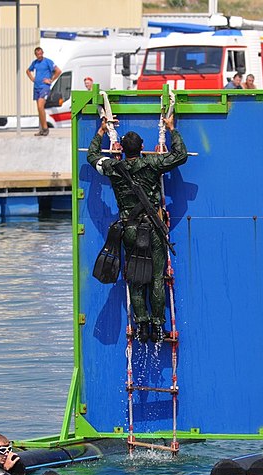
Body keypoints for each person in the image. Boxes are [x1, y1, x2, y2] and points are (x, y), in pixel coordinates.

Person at [86, 115, 188, 343]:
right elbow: (180, 156)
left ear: (121, 149)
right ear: (142, 148)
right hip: (152, 228)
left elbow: (92, 157)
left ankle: (141, 324)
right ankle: (159, 327)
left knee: (136, 278)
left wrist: (102, 131)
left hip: (130, 230)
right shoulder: (152, 164)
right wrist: (171, 130)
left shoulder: (114, 167)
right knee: (157, 278)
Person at [26, 47, 61, 136]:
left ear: (43, 53)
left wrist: (51, 80)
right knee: (39, 108)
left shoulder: (48, 61)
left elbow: (58, 71)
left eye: (41, 54)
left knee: (40, 106)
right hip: (37, 87)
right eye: (38, 54)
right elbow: (28, 71)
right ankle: (42, 129)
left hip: (44, 87)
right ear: (36, 55)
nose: (39, 56)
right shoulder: (35, 63)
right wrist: (33, 79)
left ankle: (45, 128)